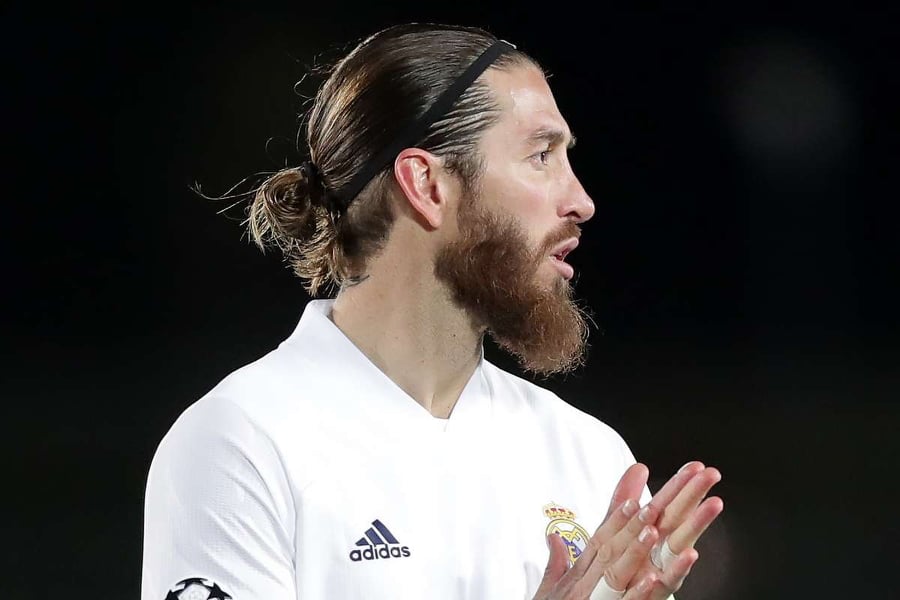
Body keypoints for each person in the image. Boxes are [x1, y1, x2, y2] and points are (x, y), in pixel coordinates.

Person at [141, 23, 723, 600]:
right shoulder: (240, 442)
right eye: (541, 156)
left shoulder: (591, 457)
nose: (581, 201)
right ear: (426, 184)